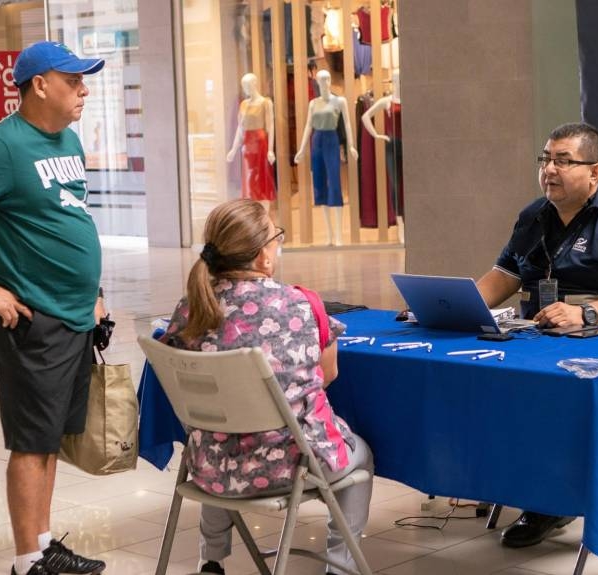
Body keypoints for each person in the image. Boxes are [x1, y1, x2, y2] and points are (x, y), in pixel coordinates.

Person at [0, 41, 108, 575]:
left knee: (51, 436)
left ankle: (45, 542)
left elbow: (69, 214)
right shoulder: (0, 147)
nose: (84, 90)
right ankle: (28, 560)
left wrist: (93, 291)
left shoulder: (68, 140)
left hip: (75, 313)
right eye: (73, 80)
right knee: (32, 442)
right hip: (33, 317)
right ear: (39, 85)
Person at [159, 199, 374, 575]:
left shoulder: (189, 308)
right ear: (263, 256)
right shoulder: (301, 304)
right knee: (363, 454)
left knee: (225, 425)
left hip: (210, 467)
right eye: (277, 236)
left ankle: (211, 560)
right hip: (289, 469)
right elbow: (327, 374)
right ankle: (341, 568)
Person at [476, 122, 598, 550]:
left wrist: (585, 312)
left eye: (563, 161)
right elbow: (502, 278)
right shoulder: (532, 217)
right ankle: (546, 502)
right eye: (545, 159)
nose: (550, 170)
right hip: (538, 337)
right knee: (507, 387)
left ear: (594, 172)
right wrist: (455, 304)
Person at [295, 69, 359, 246]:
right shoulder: (313, 103)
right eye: (321, 80)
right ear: (316, 82)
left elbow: (346, 123)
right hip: (317, 142)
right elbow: (308, 125)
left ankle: (339, 235)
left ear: (331, 81)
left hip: (331, 139)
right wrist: (301, 149)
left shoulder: (340, 101)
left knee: (335, 183)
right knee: (320, 185)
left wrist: (351, 145)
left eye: (328, 79)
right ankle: (329, 235)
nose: (325, 83)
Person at [361, 69, 404, 244]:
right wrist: (378, 135)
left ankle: (410, 225)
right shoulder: (386, 102)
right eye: (395, 79)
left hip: (408, 147)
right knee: (396, 186)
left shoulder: (410, 99)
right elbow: (365, 116)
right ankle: (401, 227)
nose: (398, 81)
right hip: (392, 145)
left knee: (409, 186)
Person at [226, 73, 276, 213]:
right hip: (247, 148)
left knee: (262, 182)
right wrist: (233, 149)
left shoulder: (265, 102)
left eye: (247, 85)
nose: (245, 88)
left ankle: (264, 217)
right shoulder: (243, 104)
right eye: (243, 86)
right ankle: (253, 218)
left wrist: (270, 150)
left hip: (260, 144)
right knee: (249, 183)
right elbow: (240, 129)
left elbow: (270, 126)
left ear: (254, 84)